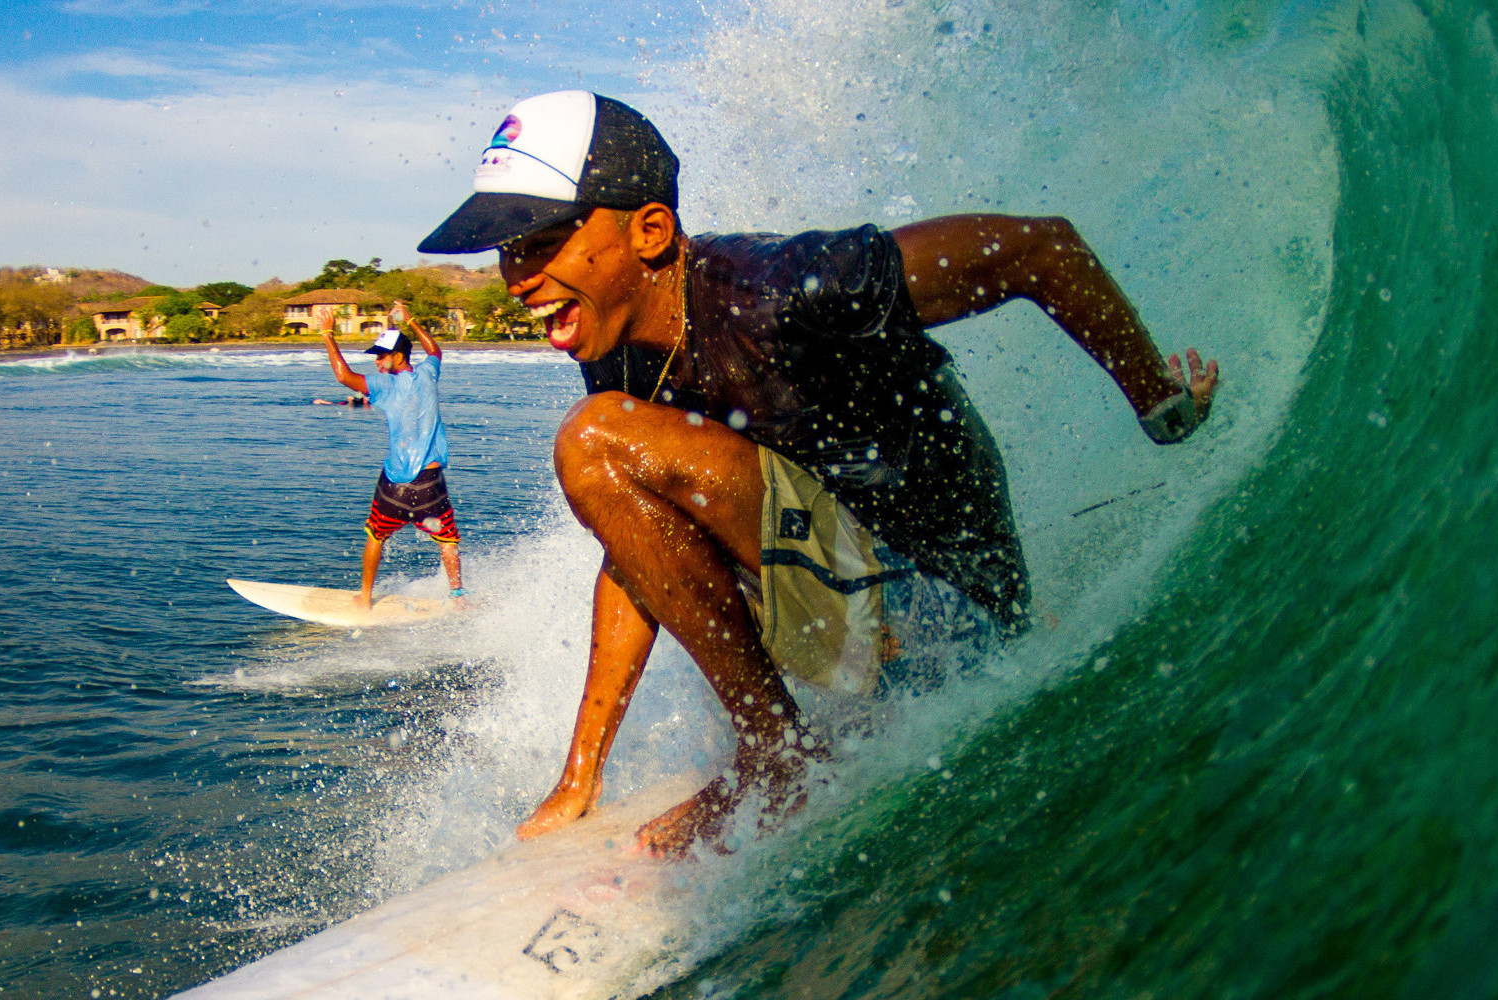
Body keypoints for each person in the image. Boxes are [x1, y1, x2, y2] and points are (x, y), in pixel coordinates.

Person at [417, 90, 1220, 857]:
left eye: (542, 242)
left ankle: (777, 756)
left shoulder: (787, 288)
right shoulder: (619, 355)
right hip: (860, 616)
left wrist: (1161, 407)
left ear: (651, 231)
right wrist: (579, 775)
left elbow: (1041, 248)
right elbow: (636, 554)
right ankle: (777, 744)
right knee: (607, 457)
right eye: (507, 251)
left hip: (952, 623)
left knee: (594, 440)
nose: (518, 276)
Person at [321, 304, 468, 610]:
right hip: (431, 483)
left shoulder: (384, 385)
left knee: (376, 536)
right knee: (447, 540)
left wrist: (327, 334)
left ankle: (364, 599)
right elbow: (435, 351)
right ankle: (458, 598)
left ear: (398, 357)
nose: (376, 361)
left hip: (395, 485)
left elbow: (342, 375)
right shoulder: (428, 373)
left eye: (381, 355)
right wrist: (411, 320)